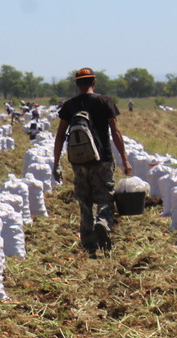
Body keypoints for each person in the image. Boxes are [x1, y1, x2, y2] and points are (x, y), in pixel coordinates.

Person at [52, 67, 132, 258]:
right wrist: (125, 159)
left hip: (79, 161)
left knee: (84, 200)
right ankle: (103, 222)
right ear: (94, 82)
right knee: (106, 196)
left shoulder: (70, 105)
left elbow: (60, 135)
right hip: (103, 158)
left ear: (77, 84)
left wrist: (56, 163)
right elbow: (116, 132)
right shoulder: (105, 102)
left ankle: (89, 245)